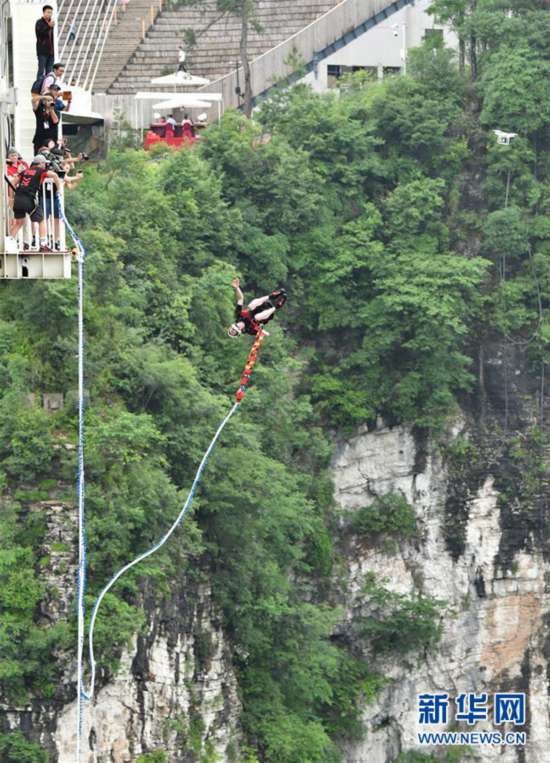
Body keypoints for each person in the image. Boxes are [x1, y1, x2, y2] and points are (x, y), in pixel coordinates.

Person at [9, 155, 62, 252]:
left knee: (18, 223)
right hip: (29, 199)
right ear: (41, 163)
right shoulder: (41, 171)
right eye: (44, 163)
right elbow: (55, 175)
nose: (45, 165)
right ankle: (43, 245)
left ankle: (8, 244)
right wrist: (58, 190)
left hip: (18, 199)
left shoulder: (24, 171)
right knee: (41, 220)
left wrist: (11, 198)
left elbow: (12, 183)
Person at [36, 5, 55, 79]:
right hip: (42, 52)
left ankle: (47, 88)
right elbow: (40, 34)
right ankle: (37, 89)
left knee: (49, 72)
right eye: (48, 12)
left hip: (51, 52)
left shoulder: (51, 22)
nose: (50, 14)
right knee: (41, 71)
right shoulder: (39, 22)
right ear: (44, 13)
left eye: (51, 13)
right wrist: (48, 26)